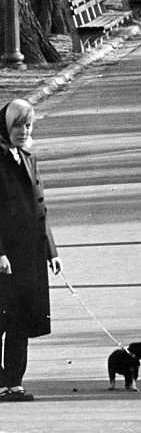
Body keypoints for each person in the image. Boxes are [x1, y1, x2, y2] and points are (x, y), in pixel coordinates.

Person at [0, 98, 62, 401]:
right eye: (17, 125)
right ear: (5, 127)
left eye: (28, 125)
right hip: (4, 258)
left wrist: (51, 250)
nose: (23, 131)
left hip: (28, 256)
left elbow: (40, 208)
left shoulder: (27, 156)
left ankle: (13, 382)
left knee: (20, 321)